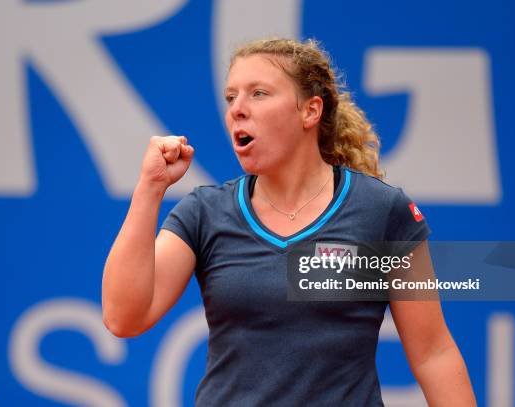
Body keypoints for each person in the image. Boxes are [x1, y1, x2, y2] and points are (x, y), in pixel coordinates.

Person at [102, 38, 476, 406]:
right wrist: (150, 188)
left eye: (259, 93)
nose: (237, 109)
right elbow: (123, 318)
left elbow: (433, 354)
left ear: (310, 111)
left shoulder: (381, 211)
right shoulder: (204, 212)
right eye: (231, 97)